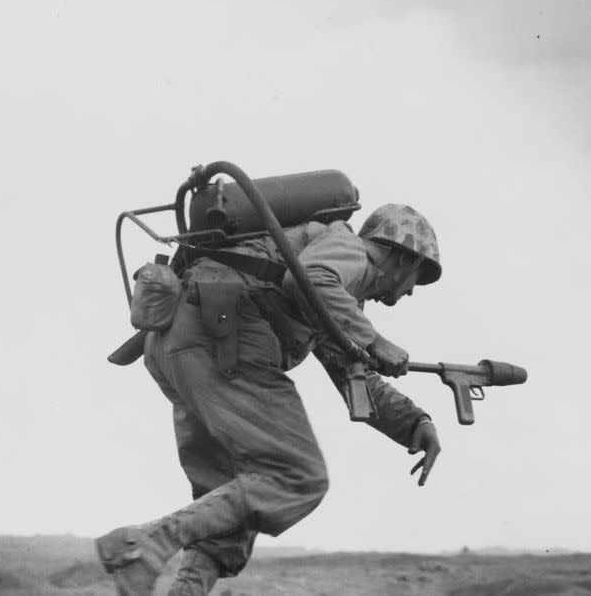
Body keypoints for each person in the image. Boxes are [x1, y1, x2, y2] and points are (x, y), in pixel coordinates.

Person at [96, 204, 443, 596]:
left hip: (180, 341)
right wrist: (375, 339)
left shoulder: (340, 298)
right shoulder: (354, 250)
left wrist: (415, 423)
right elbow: (311, 277)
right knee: (297, 476)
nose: (411, 289)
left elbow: (352, 373)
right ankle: (146, 544)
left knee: (226, 508)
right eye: (417, 275)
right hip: (225, 336)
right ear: (401, 255)